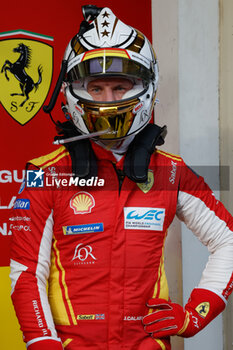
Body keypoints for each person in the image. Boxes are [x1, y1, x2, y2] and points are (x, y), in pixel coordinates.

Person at [9, 5, 233, 350]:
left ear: (145, 88)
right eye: (96, 88)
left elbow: (228, 241)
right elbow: (26, 274)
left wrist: (197, 313)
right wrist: (41, 340)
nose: (109, 100)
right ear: (74, 91)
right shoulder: (45, 175)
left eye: (120, 86)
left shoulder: (170, 172)